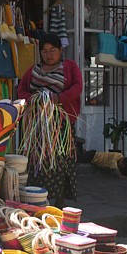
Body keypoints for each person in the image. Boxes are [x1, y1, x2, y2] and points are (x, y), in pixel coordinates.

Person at [18, 33, 83, 208]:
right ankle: (38, 197)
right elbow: (22, 90)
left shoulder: (69, 67)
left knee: (60, 160)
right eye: (45, 51)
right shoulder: (33, 70)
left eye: (53, 50)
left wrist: (58, 98)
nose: (49, 55)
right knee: (38, 159)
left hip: (60, 123)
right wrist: (32, 99)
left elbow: (78, 87)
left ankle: (59, 198)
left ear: (60, 50)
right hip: (37, 123)